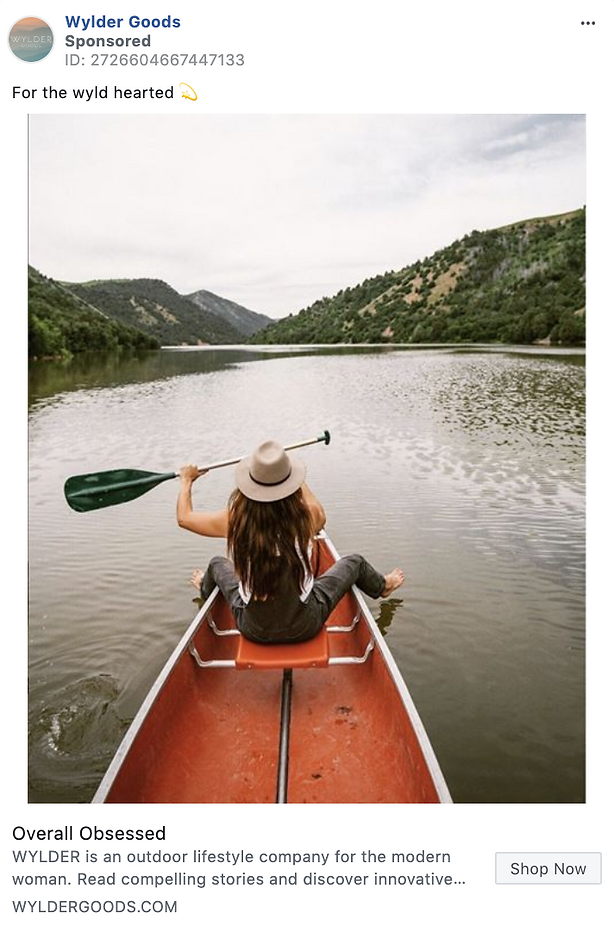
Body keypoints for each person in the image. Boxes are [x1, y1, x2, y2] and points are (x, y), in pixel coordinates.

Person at [177, 440, 404, 644]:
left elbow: (184, 519)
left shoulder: (235, 521)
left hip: (253, 629)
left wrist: (187, 480)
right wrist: (290, 473)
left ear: (249, 485)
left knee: (217, 564)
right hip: (306, 625)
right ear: (290, 483)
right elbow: (320, 514)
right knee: (355, 563)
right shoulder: (305, 519)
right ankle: (383, 587)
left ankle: (205, 590)